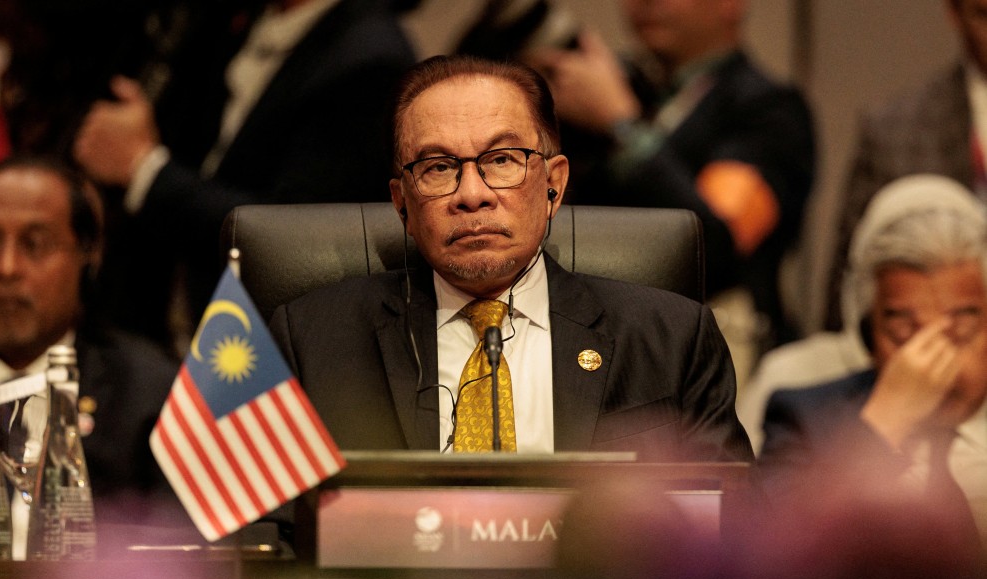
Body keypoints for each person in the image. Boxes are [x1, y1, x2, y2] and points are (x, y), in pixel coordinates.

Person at [269, 54, 752, 461]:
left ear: (553, 186)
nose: (472, 195)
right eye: (438, 168)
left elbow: (732, 532)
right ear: (402, 204)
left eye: (501, 160)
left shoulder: (671, 342)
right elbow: (261, 537)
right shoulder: (312, 342)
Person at [72, 0, 416, 353]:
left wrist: (143, 171)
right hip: (158, 318)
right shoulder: (240, 15)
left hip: (252, 353)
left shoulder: (369, 57)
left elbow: (290, 237)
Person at [527, 0, 815, 367]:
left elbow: (713, 242)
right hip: (600, 344)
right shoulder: (624, 88)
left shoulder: (768, 109)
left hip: (716, 354)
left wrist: (621, 127)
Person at [0, 156, 193, 556]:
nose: (6, 268)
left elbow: (183, 561)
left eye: (35, 245)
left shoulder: (150, 391)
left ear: (88, 254)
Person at [759, 174, 987, 546]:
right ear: (867, 332)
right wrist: (884, 425)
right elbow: (778, 563)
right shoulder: (802, 420)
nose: (930, 358)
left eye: (960, 328)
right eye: (904, 331)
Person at [825, 0, 987, 330]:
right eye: (984, 15)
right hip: (933, 345)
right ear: (954, 14)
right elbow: (849, 279)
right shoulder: (894, 129)